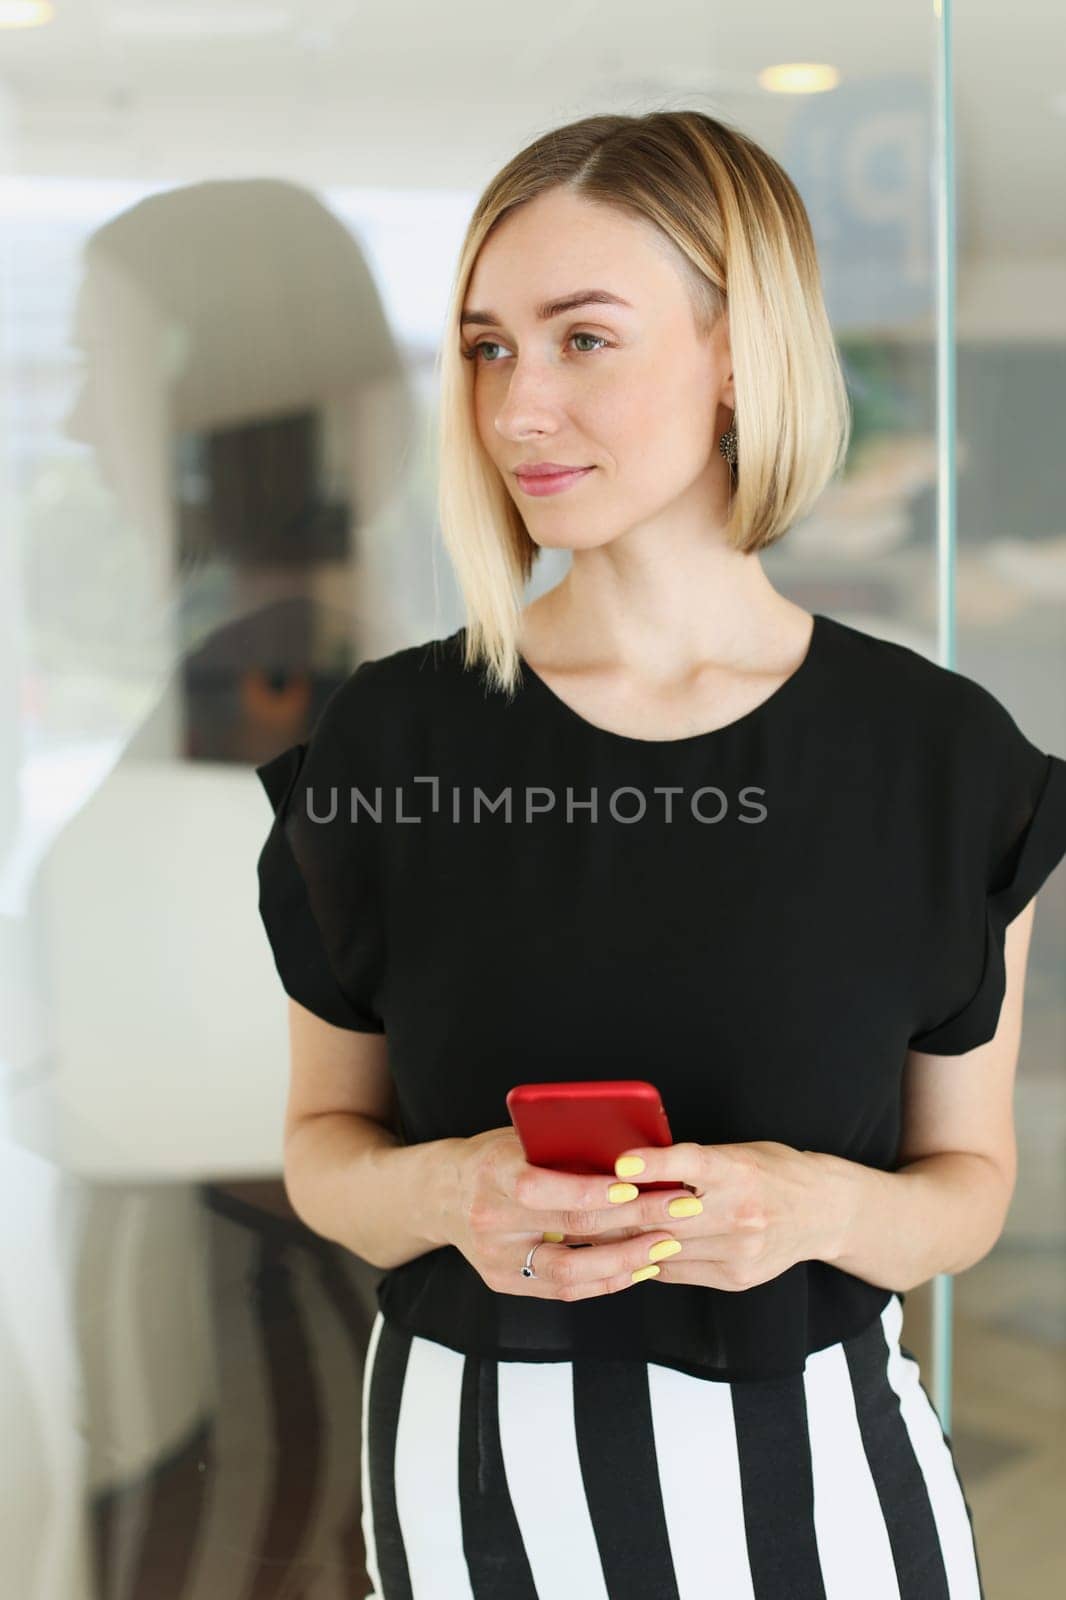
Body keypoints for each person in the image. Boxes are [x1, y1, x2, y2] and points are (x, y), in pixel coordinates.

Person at [254, 111, 1066, 1600]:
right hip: (470, 1482)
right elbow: (324, 1154)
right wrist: (451, 1197)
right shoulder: (394, 742)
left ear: (739, 359)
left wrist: (812, 1212)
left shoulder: (941, 762)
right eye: (490, 348)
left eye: (583, 341)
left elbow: (967, 1187)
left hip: (827, 1490)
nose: (516, 408)